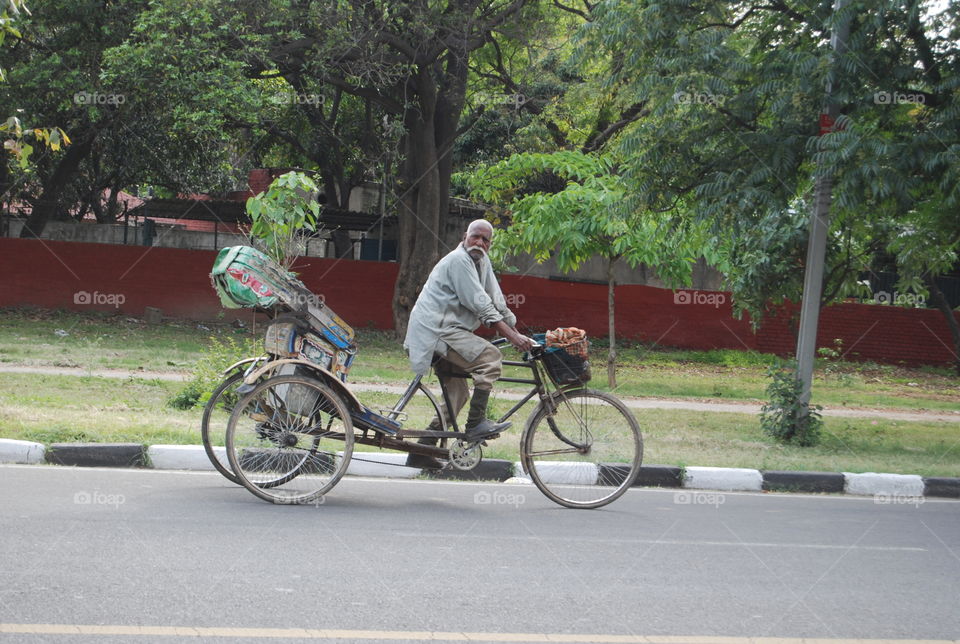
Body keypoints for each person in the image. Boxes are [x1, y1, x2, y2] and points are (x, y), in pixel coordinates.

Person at [403, 219, 535, 468]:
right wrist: (512, 337)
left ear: (490, 244)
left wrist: (517, 332)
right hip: (437, 330)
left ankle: (423, 449)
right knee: (490, 357)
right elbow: (481, 304)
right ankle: (476, 424)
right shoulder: (459, 260)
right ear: (465, 236)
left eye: (485, 240)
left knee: (458, 393)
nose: (479, 242)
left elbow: (496, 301)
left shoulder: (482, 262)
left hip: (448, 330)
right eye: (475, 236)